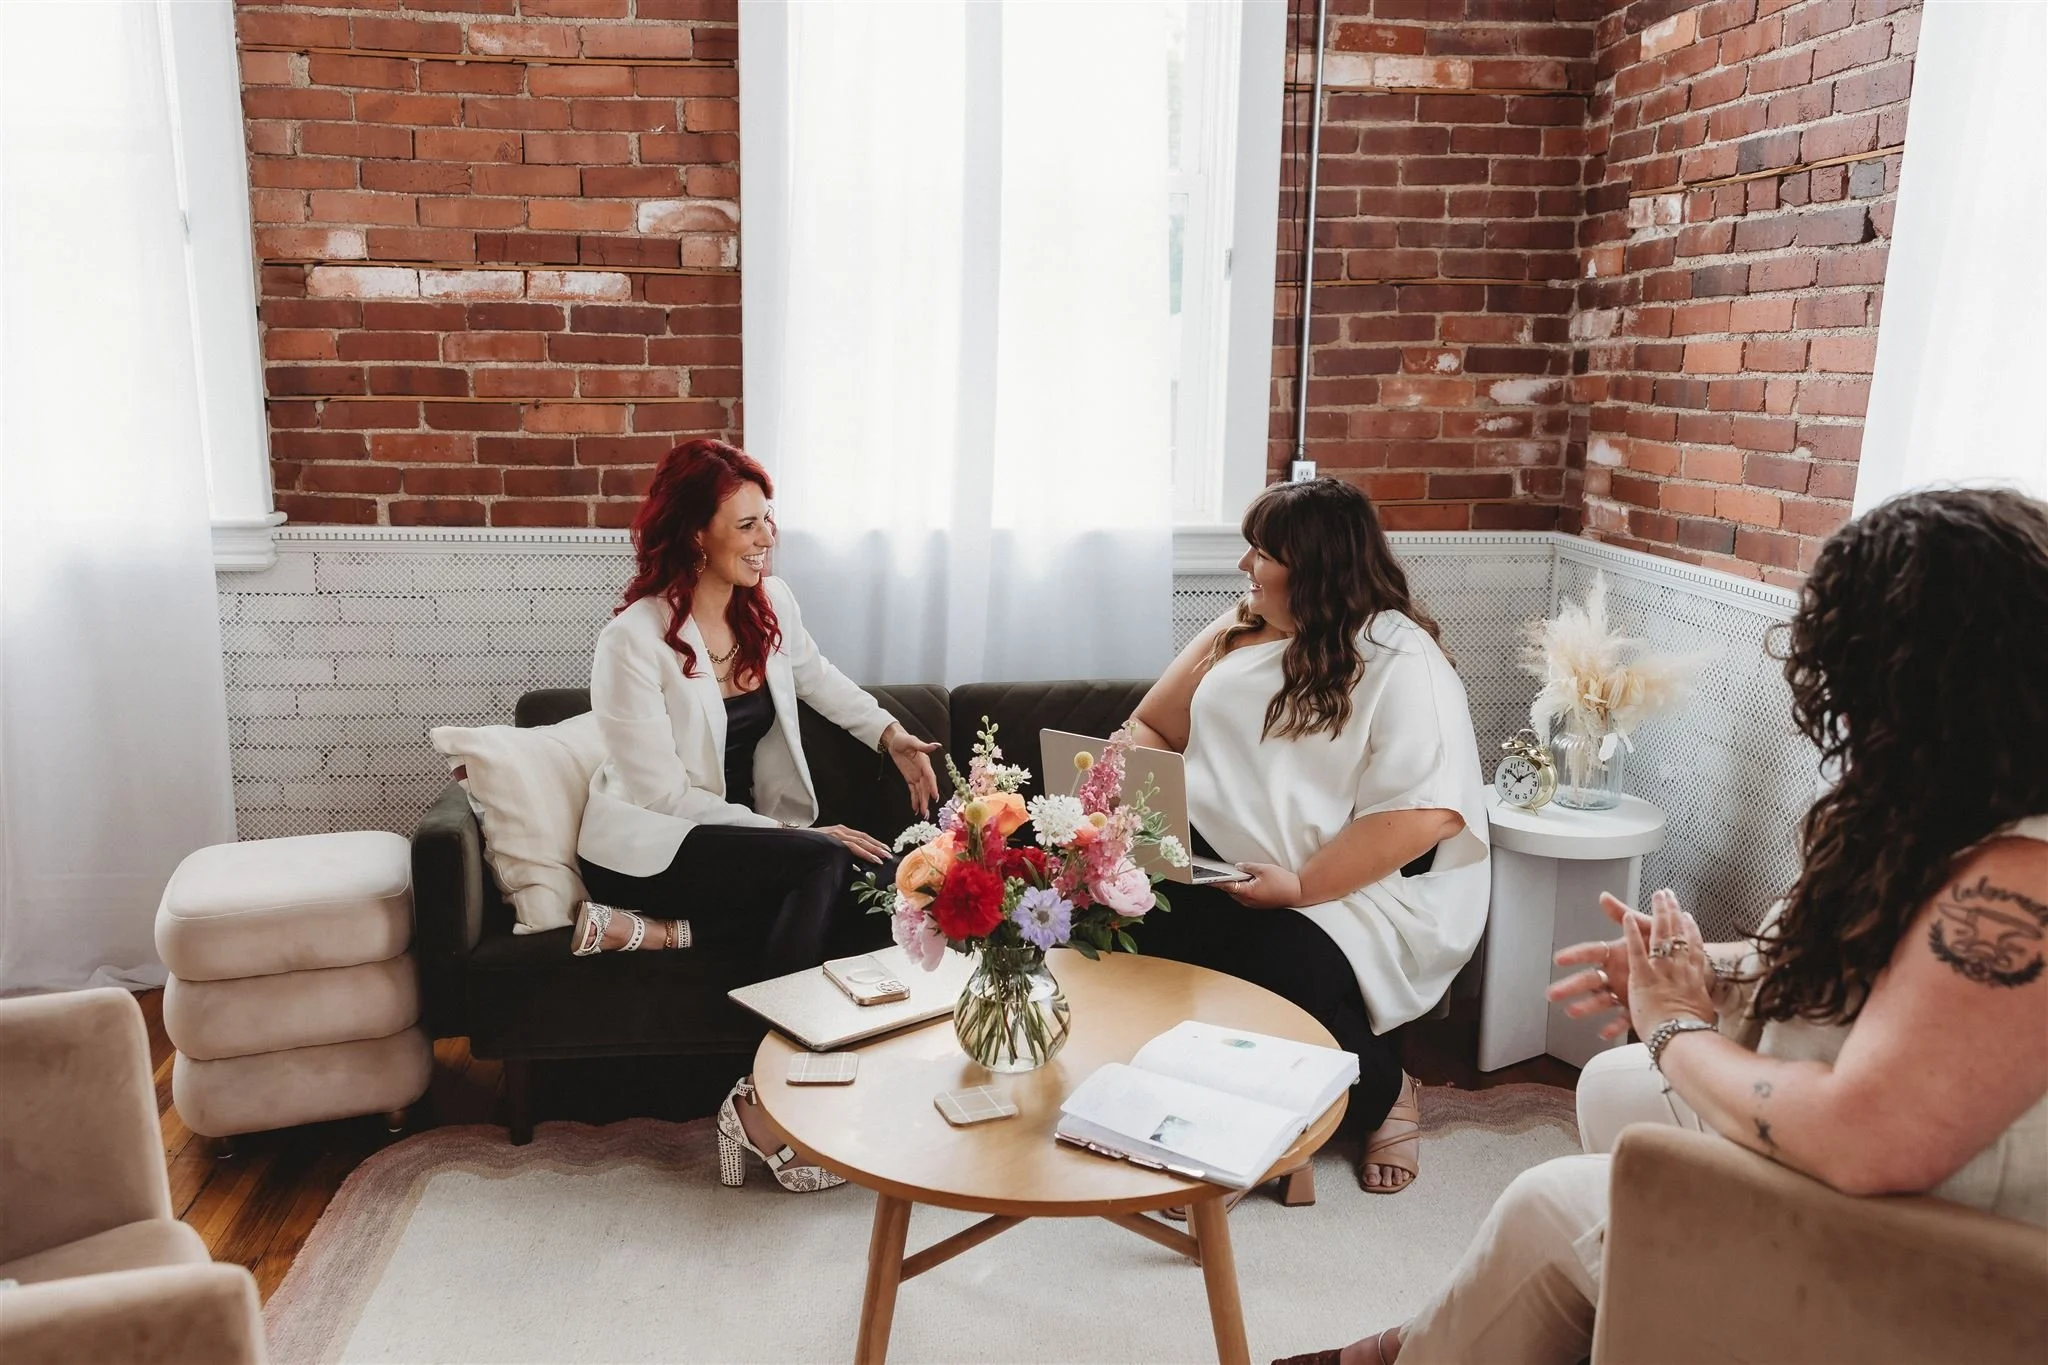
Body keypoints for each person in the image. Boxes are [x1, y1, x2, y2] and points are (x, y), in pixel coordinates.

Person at [1290, 487, 2048, 1365]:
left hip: (1940, 1253)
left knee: (1551, 1204)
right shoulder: (1948, 807)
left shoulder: (2017, 887)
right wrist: (1701, 967)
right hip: (1877, 1172)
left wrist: (1677, 1024)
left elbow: (1863, 1139)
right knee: (1615, 1083)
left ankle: (1408, 1354)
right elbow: (1880, 973)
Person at [572, 438, 943, 1192]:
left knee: (879, 878)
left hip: (737, 841)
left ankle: (684, 944)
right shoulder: (631, 641)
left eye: (768, 519)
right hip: (652, 842)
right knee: (825, 860)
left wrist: (892, 734)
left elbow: (819, 678)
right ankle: (766, 1103)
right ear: (695, 534)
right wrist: (796, 834)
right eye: (746, 524)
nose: (766, 537)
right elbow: (662, 796)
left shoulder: (771, 604)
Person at [1127, 478, 1491, 1194]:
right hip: (1207, 860)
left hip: (1342, 890)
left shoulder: (1400, 659)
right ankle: (1172, 1104)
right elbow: (1153, 725)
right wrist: (1141, 820)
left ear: (1316, 569)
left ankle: (1386, 1089)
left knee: (1272, 973)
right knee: (1109, 926)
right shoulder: (1243, 622)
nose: (1243, 569)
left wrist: (1299, 885)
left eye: (1260, 553)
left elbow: (1423, 815)